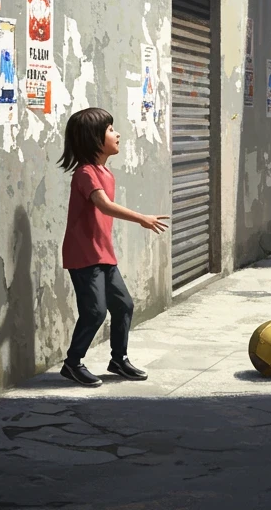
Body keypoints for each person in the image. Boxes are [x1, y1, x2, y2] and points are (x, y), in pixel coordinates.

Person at [57, 107, 169, 386]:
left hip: (102, 253)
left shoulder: (104, 172)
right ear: (94, 138)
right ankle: (72, 363)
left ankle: (118, 359)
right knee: (94, 311)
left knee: (123, 306)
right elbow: (104, 205)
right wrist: (142, 218)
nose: (117, 134)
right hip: (83, 255)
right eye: (110, 130)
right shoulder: (85, 173)